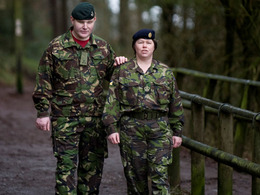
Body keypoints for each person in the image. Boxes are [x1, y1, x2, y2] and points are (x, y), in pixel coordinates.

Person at [32, 2, 127, 195]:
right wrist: (43, 112)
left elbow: (114, 79)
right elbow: (44, 80)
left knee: (92, 173)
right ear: (72, 21)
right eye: (81, 22)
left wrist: (120, 65)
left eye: (89, 22)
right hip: (65, 119)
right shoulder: (56, 47)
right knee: (65, 170)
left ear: (94, 21)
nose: (85, 26)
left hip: (95, 121)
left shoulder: (103, 48)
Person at [102, 29, 185, 195]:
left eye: (149, 43)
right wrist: (111, 127)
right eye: (140, 42)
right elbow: (112, 101)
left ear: (154, 46)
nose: (145, 46)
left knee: (160, 176)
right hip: (131, 130)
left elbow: (175, 103)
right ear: (134, 46)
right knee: (135, 178)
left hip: (160, 130)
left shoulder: (165, 72)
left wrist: (177, 131)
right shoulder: (122, 71)